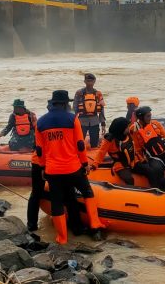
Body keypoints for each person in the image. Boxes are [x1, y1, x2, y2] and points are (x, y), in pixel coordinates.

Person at [35, 90, 106, 244]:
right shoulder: (72, 118)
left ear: (53, 103)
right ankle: (95, 224)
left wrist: (42, 168)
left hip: (52, 170)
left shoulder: (40, 123)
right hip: (73, 168)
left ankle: (62, 238)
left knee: (57, 202)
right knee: (87, 191)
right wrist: (85, 164)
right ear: (64, 104)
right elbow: (80, 145)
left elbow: (39, 150)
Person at [92, 117, 138, 185]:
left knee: (148, 169)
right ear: (121, 129)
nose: (128, 128)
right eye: (127, 127)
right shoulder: (110, 140)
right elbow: (101, 152)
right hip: (120, 165)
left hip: (133, 161)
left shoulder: (127, 135)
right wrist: (95, 164)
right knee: (129, 179)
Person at [73, 73, 106, 148]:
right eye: (88, 81)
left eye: (91, 81)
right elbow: (75, 107)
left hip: (95, 121)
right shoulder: (79, 93)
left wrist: (103, 124)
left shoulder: (98, 94)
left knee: (94, 144)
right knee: (79, 143)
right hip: (82, 122)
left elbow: (102, 109)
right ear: (84, 81)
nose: (90, 83)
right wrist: (74, 122)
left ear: (94, 81)